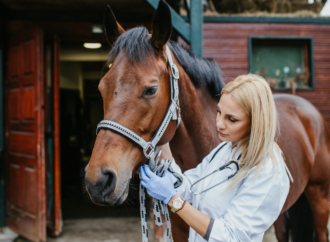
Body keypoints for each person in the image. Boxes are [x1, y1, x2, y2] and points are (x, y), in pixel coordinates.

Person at [140, 74, 292, 242]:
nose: (219, 123)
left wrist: (173, 200)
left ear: (256, 122)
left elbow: (230, 236)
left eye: (231, 119)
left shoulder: (267, 171)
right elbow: (191, 187)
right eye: (219, 112)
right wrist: (163, 151)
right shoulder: (226, 148)